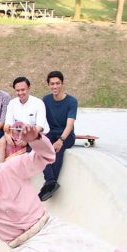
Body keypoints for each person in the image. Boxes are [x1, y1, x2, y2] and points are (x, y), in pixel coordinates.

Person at [40, 70, 77, 201]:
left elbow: (69, 125)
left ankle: (50, 182)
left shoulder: (72, 101)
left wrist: (61, 140)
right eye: (52, 84)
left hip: (67, 135)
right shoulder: (46, 100)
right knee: (40, 148)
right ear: (48, 85)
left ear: (62, 84)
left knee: (58, 150)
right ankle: (51, 182)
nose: (54, 87)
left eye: (57, 83)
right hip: (52, 132)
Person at [0, 76, 48, 164]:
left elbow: (40, 126)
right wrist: (7, 134)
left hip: (35, 133)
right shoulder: (12, 103)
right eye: (17, 90)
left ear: (29, 88)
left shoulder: (38, 103)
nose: (20, 93)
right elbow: (8, 123)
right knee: (1, 143)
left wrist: (27, 138)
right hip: (17, 133)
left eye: (23, 90)